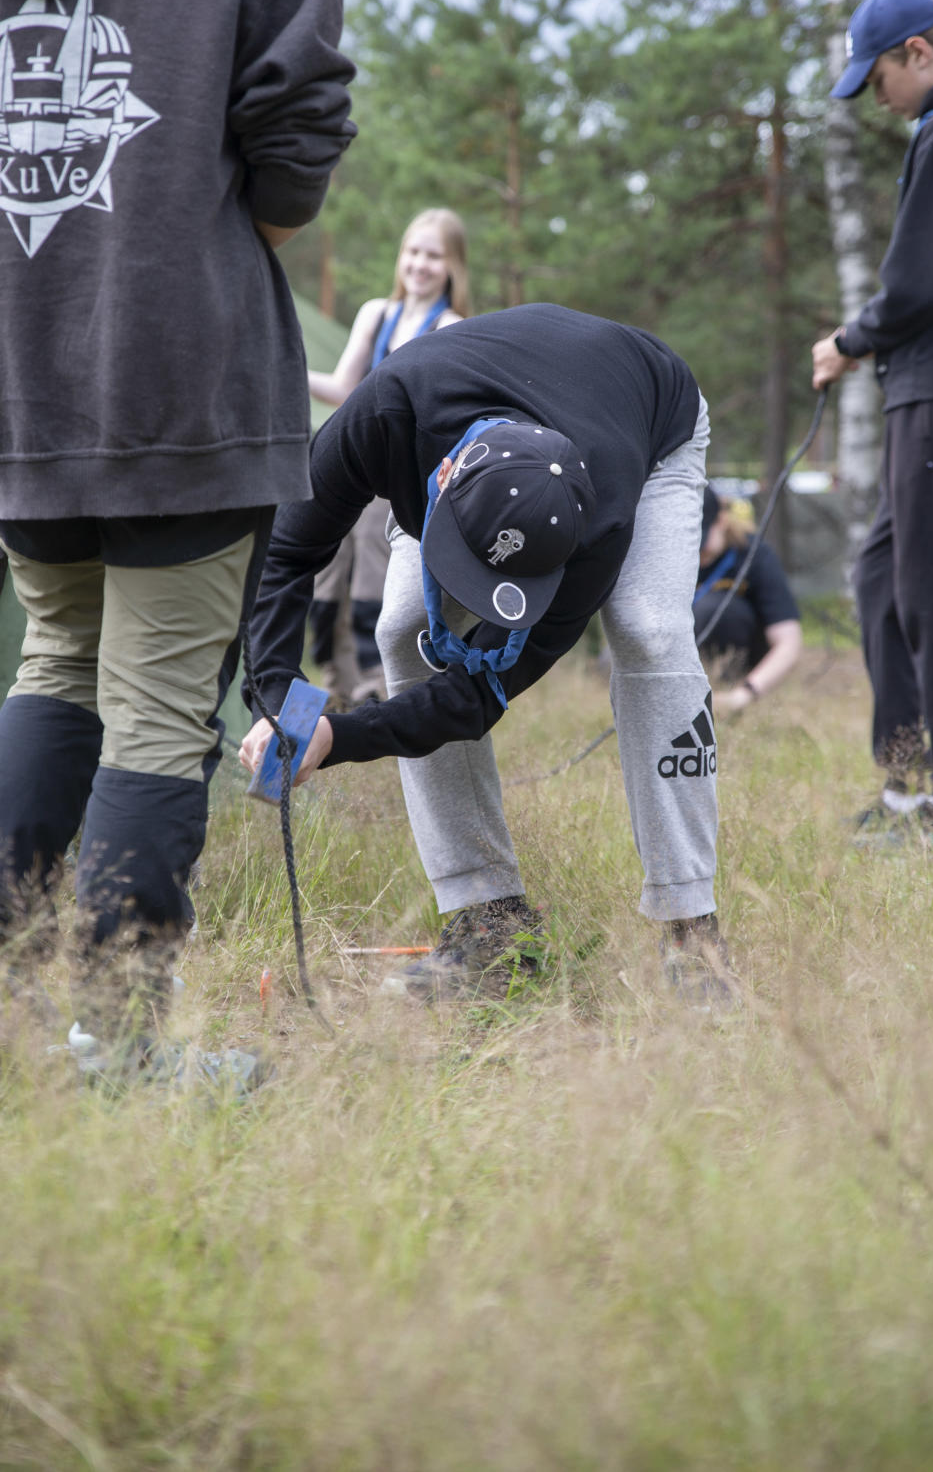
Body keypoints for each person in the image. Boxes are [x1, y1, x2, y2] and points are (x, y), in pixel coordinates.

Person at [0, 0, 356, 1073]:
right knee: (152, 709)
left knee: (52, 660)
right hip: (183, 375)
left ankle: (26, 1012)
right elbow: (292, 165)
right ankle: (119, 1047)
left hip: (23, 374)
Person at [241, 303, 730, 1004]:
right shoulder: (384, 411)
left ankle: (693, 934)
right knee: (403, 627)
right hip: (476, 418)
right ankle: (489, 925)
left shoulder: (598, 524)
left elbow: (475, 699)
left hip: (650, 419)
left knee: (648, 629)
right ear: (439, 482)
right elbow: (287, 553)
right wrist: (280, 701)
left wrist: (337, 735)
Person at [812, 0, 933, 844]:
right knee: (880, 580)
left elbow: (915, 286)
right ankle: (904, 783)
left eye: (874, 79)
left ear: (915, 53)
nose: (875, 99)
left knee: (931, 594)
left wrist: (848, 339)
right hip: (920, 390)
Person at [306, 210, 469, 706]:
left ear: (453, 265)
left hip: (398, 481)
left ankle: (380, 694)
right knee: (328, 576)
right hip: (351, 469)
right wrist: (282, 371)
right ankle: (338, 689)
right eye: (413, 251)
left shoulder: (451, 326)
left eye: (433, 255)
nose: (420, 264)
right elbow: (342, 387)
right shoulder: (376, 313)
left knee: (375, 585)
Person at [695, 486, 801, 714]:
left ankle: (726, 686)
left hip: (742, 663)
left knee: (718, 611)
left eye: (701, 538)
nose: (696, 549)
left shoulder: (755, 556)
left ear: (721, 521)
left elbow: (789, 642)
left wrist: (746, 693)